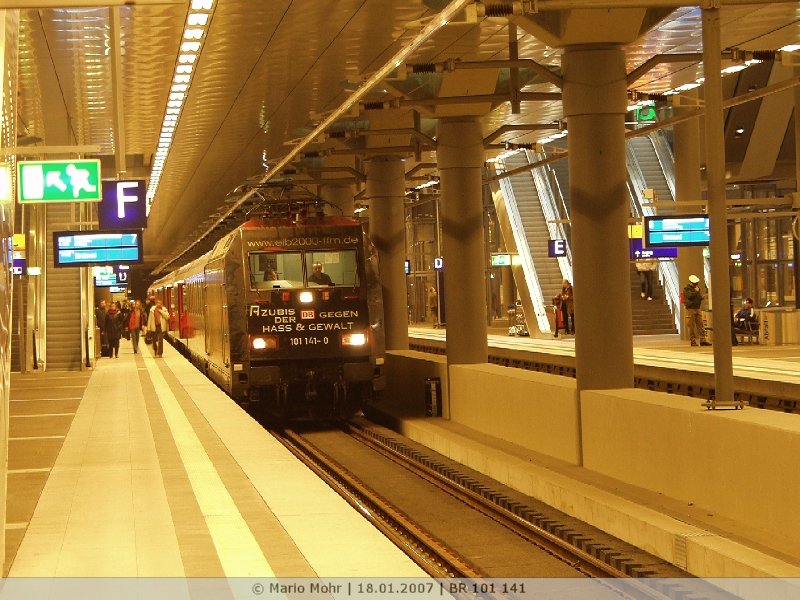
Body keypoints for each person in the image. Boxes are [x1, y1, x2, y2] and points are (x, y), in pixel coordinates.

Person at [683, 274, 711, 347]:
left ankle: (703, 340)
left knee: (700, 324)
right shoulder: (687, 289)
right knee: (691, 326)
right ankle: (692, 341)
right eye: (696, 283)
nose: (697, 284)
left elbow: (696, 297)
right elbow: (689, 296)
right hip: (690, 309)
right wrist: (696, 292)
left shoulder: (697, 288)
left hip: (697, 308)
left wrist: (701, 297)